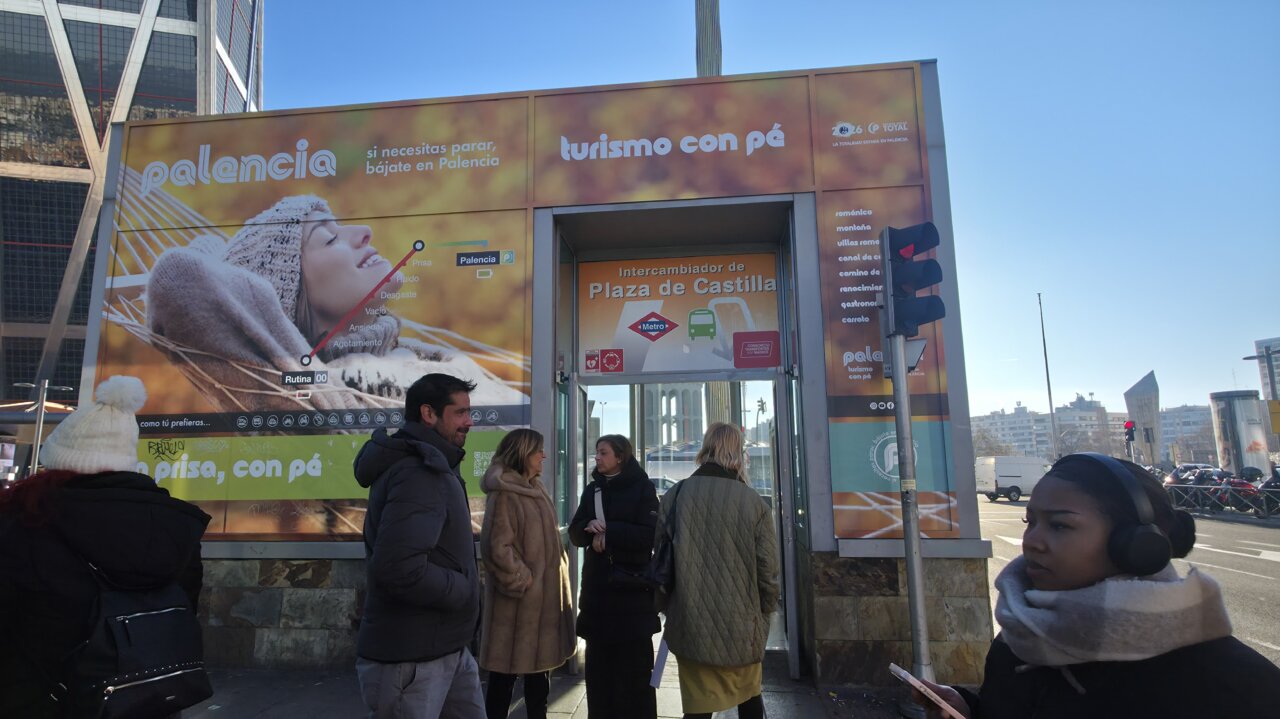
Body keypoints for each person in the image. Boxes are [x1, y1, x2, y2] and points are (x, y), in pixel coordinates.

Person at [918, 452, 1280, 719]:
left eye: (1059, 526)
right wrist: (969, 708)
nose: (1032, 541)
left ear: (1135, 544)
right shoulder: (1019, 640)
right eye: (1031, 522)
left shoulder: (1231, 684)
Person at [146, 195, 525, 413]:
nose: (364, 233)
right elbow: (180, 276)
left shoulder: (416, 355)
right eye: (328, 239)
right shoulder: (328, 399)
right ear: (283, 303)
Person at [0, 375, 210, 718]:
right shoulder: (174, 524)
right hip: (145, 696)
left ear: (62, 459)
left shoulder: (29, 519)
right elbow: (184, 607)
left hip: (43, 697)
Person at [353, 373, 485, 719]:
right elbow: (399, 569)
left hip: (446, 648)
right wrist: (464, 588)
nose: (469, 422)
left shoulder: (436, 465)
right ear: (429, 414)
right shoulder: (417, 472)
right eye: (460, 413)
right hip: (410, 660)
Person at [654, 423, 779, 719]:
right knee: (750, 700)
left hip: (691, 620)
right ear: (739, 451)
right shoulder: (753, 503)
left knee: (698, 708)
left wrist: (666, 605)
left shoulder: (676, 495)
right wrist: (766, 611)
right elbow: (768, 571)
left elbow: (660, 556)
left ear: (705, 448)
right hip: (743, 624)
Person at [477, 429, 575, 719]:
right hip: (516, 607)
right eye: (538, 451)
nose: (543, 456)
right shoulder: (505, 492)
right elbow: (496, 547)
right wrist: (524, 580)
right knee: (502, 682)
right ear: (522, 453)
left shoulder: (535, 486)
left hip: (541, 609)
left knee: (538, 685)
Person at [568, 434, 661, 718]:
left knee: (636, 679)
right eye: (596, 452)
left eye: (603, 452)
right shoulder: (592, 490)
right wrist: (588, 527)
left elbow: (649, 537)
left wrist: (610, 533)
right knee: (599, 679)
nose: (597, 457)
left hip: (633, 601)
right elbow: (574, 533)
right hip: (598, 601)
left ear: (620, 457)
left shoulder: (644, 489)